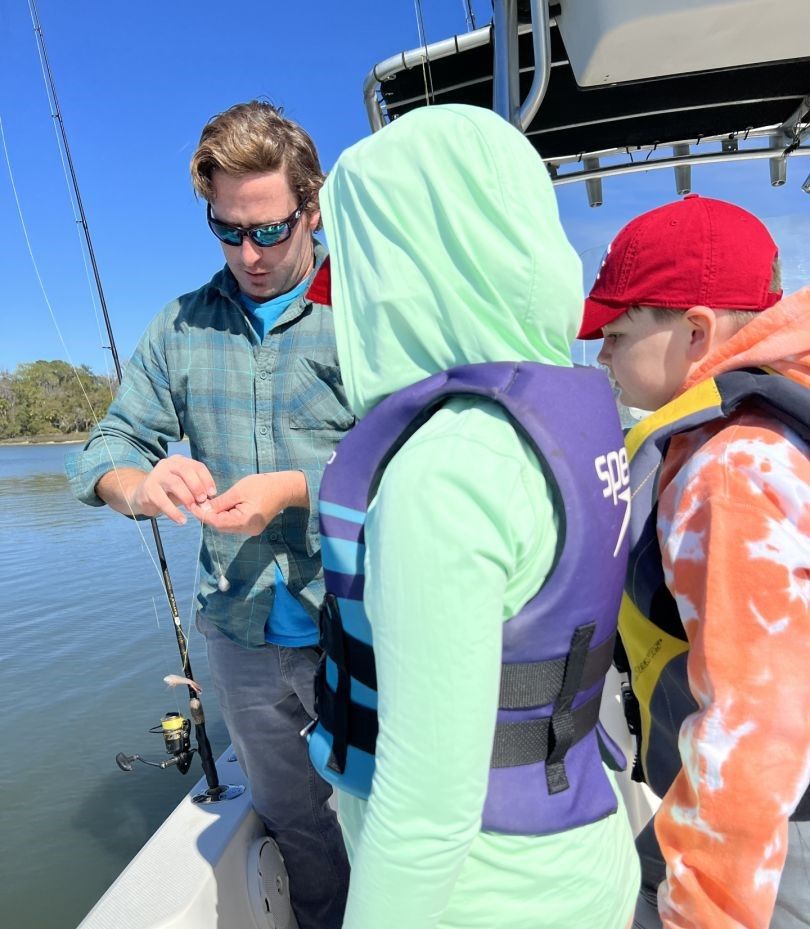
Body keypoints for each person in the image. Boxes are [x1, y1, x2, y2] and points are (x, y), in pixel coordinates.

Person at [304, 103, 640, 929]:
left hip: (486, 898)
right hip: (582, 857)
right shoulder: (569, 422)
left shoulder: (444, 474)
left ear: (402, 270)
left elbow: (426, 812)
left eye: (352, 265)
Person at [66, 100, 351, 929]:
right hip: (239, 634)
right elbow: (105, 448)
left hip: (360, 622)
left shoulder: (369, 312)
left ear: (312, 205)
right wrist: (139, 481)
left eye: (269, 229)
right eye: (228, 231)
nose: (249, 254)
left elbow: (416, 457)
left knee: (393, 819)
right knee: (298, 823)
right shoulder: (178, 326)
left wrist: (292, 488)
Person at [579, 193, 810, 929]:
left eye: (616, 332)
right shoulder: (768, 421)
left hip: (774, 852)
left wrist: (701, 912)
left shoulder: (730, 468)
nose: (601, 354)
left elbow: (758, 728)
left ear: (696, 331)